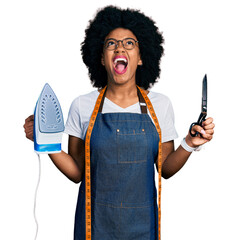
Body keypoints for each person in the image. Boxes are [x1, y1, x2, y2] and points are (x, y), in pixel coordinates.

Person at [23, 6, 215, 240]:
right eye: (111, 43)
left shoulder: (160, 105)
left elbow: (165, 169)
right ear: (102, 58)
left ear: (141, 57)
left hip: (143, 227)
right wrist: (47, 142)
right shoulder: (82, 106)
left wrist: (189, 143)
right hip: (94, 228)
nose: (120, 47)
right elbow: (77, 172)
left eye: (129, 43)